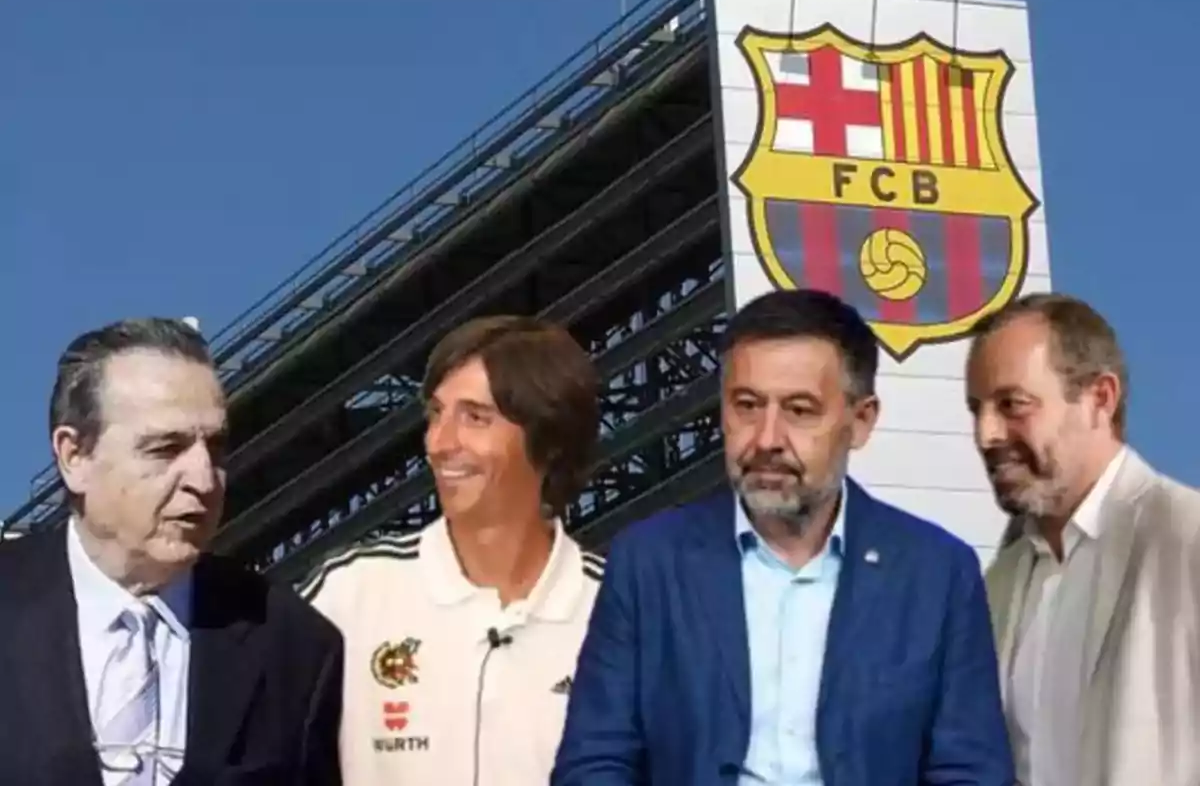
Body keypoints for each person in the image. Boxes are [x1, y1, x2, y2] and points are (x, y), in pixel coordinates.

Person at [553, 288, 1013, 786]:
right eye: (747, 405)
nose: (767, 438)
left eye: (799, 410)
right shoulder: (649, 563)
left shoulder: (937, 575)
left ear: (860, 421)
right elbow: (594, 764)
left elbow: (970, 774)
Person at [0, 318, 344, 786]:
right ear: (74, 456)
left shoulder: (294, 643)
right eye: (166, 448)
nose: (204, 480)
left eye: (216, 448)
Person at [299, 315, 604, 786]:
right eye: (436, 414)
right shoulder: (351, 591)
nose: (440, 444)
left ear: (549, 442)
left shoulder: (620, 607)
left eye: (475, 418)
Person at [968, 292, 1200, 786]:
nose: (987, 433)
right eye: (977, 409)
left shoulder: (1188, 538)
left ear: (1100, 399)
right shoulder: (997, 587)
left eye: (1013, 405)